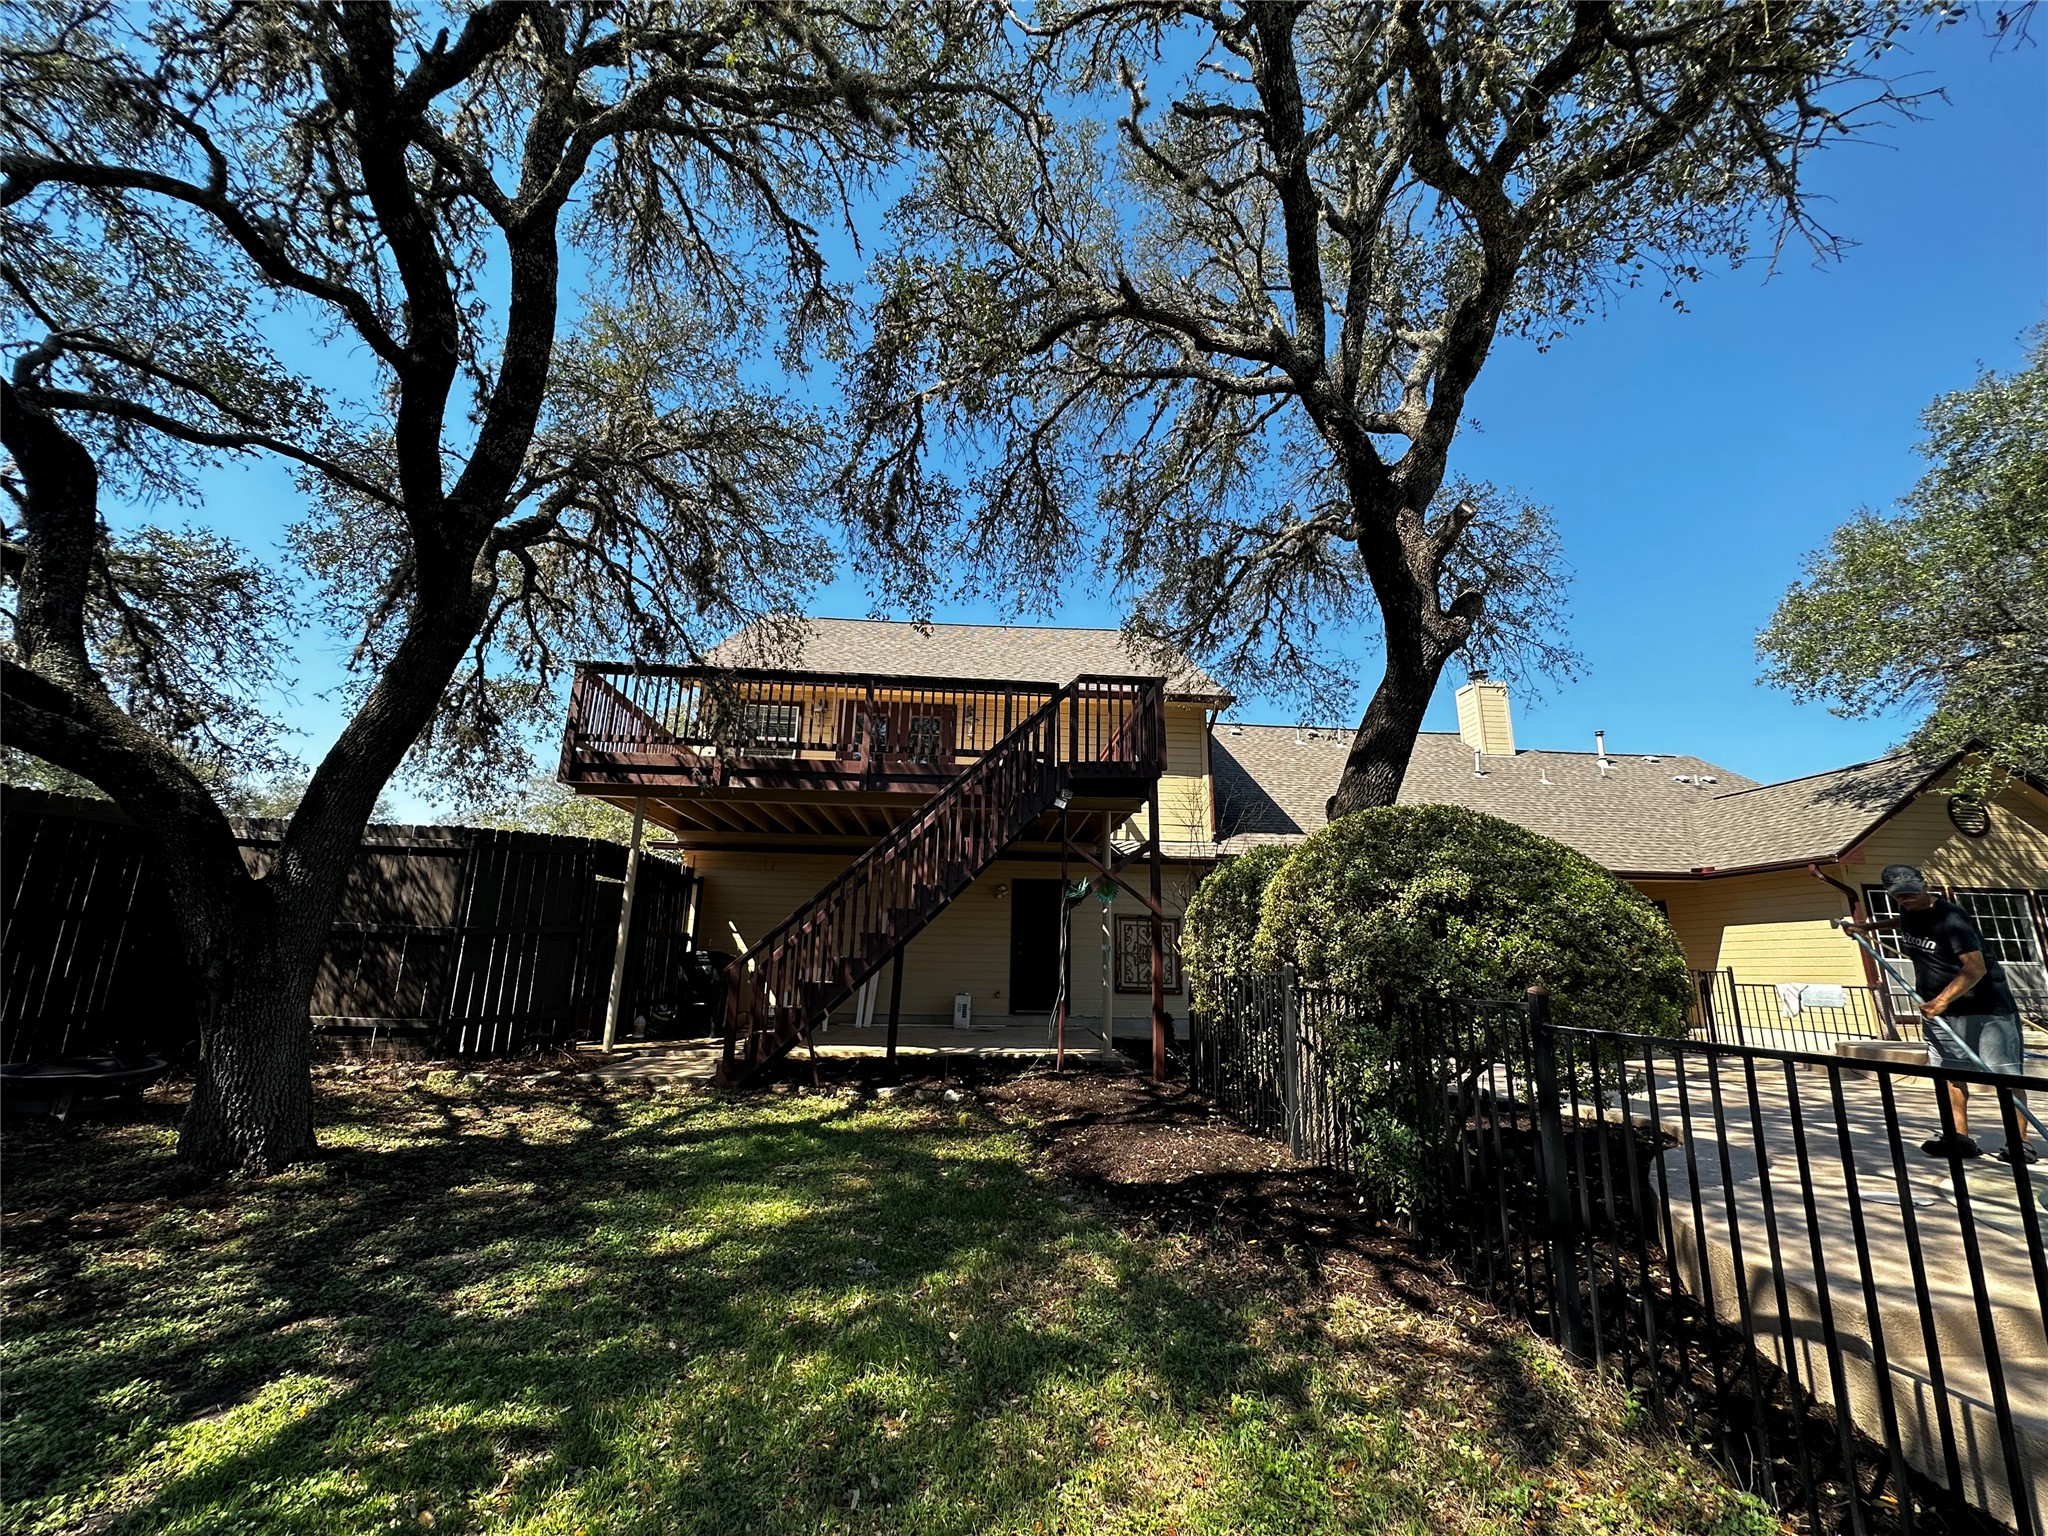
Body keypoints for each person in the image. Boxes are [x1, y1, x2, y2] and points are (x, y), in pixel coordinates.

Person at [1846, 864, 2034, 1164]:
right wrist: (1867, 929)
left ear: (1925, 885)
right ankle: (1959, 1138)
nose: (1906, 898)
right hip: (1941, 1012)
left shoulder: (1952, 918)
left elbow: (1975, 968)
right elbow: (1903, 923)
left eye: (1911, 892)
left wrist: (1941, 1001)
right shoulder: (1909, 911)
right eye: (1899, 895)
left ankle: (2020, 1143)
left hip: (1986, 1010)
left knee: (2005, 1077)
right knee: (1949, 1076)